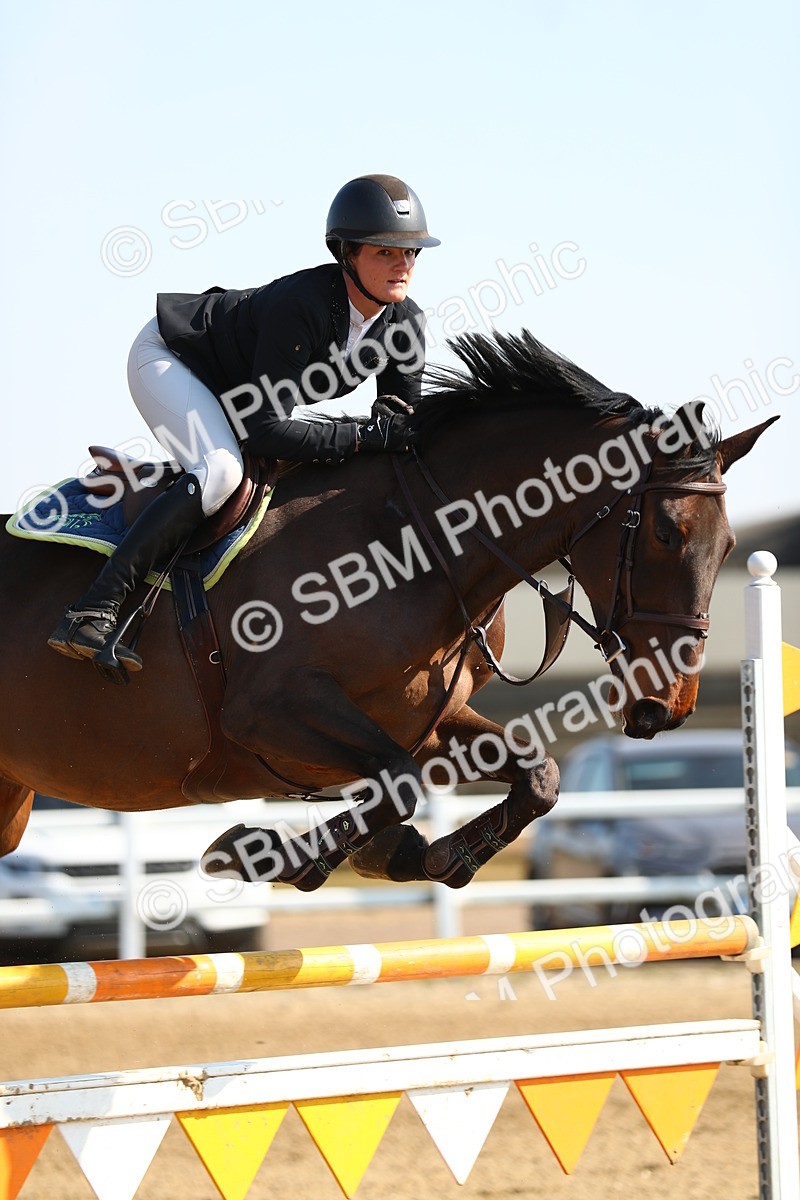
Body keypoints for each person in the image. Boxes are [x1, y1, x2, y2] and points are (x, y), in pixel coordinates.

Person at [48, 174, 440, 675]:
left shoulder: (405, 324)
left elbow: (403, 428)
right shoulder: (305, 305)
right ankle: (93, 608)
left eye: (411, 252)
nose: (403, 264)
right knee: (221, 472)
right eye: (386, 251)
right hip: (174, 360)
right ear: (346, 253)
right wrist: (361, 434)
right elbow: (264, 430)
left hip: (238, 391)